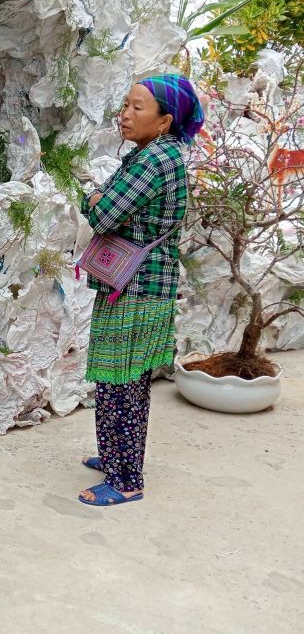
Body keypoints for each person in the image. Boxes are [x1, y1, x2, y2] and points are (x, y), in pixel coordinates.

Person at [77, 74, 204, 507]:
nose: (125, 115)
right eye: (125, 105)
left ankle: (127, 479)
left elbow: (102, 213)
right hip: (130, 282)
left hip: (138, 286)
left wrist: (96, 198)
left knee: (125, 382)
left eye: (137, 108)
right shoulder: (149, 153)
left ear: (165, 120)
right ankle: (115, 456)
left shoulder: (155, 161)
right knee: (116, 378)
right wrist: (97, 199)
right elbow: (99, 203)